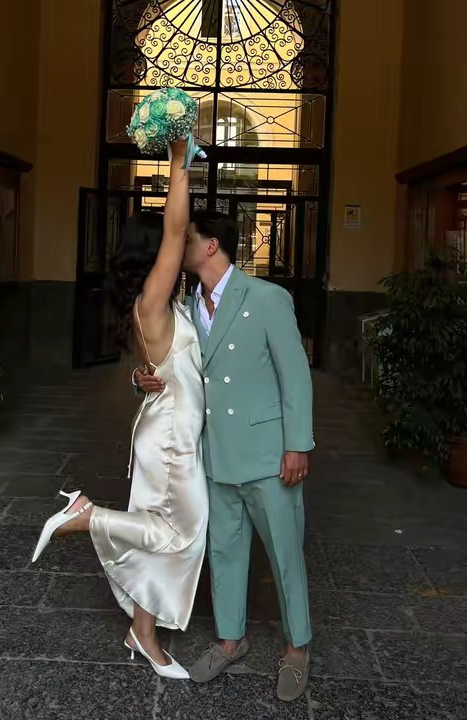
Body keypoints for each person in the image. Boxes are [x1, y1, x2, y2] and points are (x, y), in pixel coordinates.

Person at [32, 138, 208, 680]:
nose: (183, 245)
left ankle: (142, 633)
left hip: (166, 428)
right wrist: (177, 163)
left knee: (161, 532)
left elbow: (163, 367)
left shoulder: (162, 304)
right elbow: (176, 231)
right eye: (173, 244)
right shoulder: (153, 301)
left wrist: (140, 378)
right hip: (171, 439)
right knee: (183, 531)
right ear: (156, 252)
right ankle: (88, 515)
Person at [134, 211, 315, 702]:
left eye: (186, 238)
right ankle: (230, 641)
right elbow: (168, 365)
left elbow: (295, 375)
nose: (178, 246)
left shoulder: (267, 297)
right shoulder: (185, 308)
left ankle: (297, 648)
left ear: (212, 245)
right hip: (213, 453)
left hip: (268, 453)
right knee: (225, 552)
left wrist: (298, 444)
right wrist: (140, 378)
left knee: (284, 554)